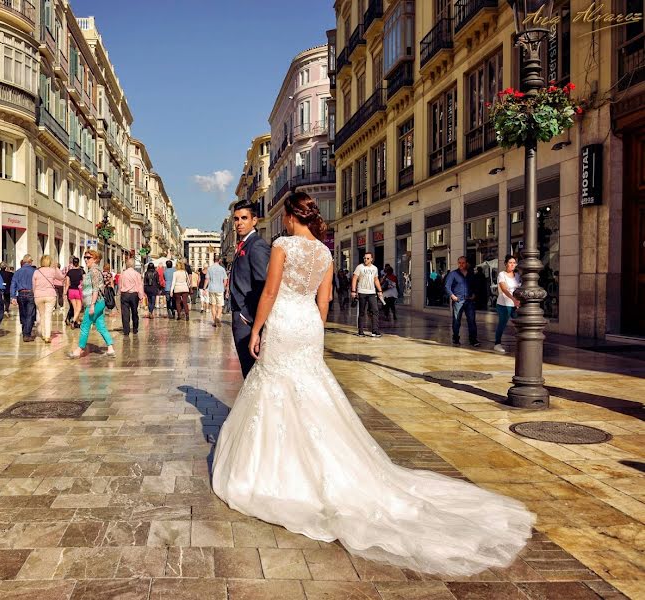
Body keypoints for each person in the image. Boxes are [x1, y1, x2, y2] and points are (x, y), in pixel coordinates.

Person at [212, 191, 534, 577]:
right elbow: (325, 299)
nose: (281, 221)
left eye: (284, 215)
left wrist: (258, 328)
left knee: (275, 389)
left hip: (282, 320)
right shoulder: (326, 255)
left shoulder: (282, 245)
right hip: (308, 325)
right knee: (311, 391)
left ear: (290, 216)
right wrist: (317, 328)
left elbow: (268, 291)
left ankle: (274, 470)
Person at [227, 200, 271, 377]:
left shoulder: (256, 245)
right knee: (248, 369)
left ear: (254, 220)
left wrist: (247, 315)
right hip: (240, 313)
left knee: (251, 370)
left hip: (247, 317)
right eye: (236, 219)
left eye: (244, 218)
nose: (239, 223)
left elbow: (262, 283)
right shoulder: (244, 244)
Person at [68, 249, 114, 358]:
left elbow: (95, 289)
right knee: (100, 325)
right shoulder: (92, 271)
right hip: (97, 302)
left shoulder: (94, 271)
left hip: (95, 302)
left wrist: (92, 305)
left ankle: (79, 349)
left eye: (88, 258)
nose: (85, 260)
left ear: (95, 259)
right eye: (85, 257)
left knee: (84, 325)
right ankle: (110, 348)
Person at [446, 256, 479, 347]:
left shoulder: (471, 274)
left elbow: (475, 286)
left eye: (463, 263)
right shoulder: (453, 274)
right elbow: (447, 286)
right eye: (459, 263)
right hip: (458, 300)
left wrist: (474, 294)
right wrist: (452, 296)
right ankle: (456, 338)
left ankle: (473, 339)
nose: (461, 264)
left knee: (471, 321)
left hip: (469, 301)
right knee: (457, 320)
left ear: (466, 263)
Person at [32, 254, 64, 343]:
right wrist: (56, 267)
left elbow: (34, 286)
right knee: (48, 315)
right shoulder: (52, 271)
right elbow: (61, 277)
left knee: (42, 315)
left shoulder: (36, 272)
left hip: (38, 295)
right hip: (50, 295)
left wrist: (35, 293)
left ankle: (43, 333)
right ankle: (47, 336)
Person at [351, 252, 383, 337]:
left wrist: (380, 290)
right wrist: (353, 291)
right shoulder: (359, 267)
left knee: (375, 311)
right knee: (361, 312)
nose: (366, 260)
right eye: (364, 258)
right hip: (362, 292)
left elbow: (376, 280)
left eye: (368, 258)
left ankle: (375, 331)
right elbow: (354, 278)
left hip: (372, 292)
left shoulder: (375, 268)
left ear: (372, 259)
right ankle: (360, 331)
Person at [494, 255, 521, 353]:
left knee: (520, 323)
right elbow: (504, 289)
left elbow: (518, 289)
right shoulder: (502, 274)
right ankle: (497, 344)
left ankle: (521, 342)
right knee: (502, 323)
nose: (512, 265)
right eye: (510, 262)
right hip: (504, 304)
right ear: (506, 264)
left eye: (514, 263)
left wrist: (518, 301)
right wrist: (513, 299)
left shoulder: (517, 275)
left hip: (515, 304)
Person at [10, 255, 36, 342]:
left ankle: (25, 330)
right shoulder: (34, 271)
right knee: (30, 314)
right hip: (30, 293)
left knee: (23, 313)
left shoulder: (17, 272)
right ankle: (26, 334)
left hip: (20, 293)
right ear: (30, 261)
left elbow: (13, 284)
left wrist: (13, 296)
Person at [119, 258, 145, 336]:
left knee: (125, 313)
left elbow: (120, 285)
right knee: (134, 311)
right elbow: (140, 286)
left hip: (125, 294)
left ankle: (126, 330)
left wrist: (120, 292)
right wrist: (141, 296)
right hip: (134, 295)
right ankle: (135, 329)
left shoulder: (122, 274)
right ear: (133, 265)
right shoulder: (137, 274)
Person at [206, 254, 228, 328]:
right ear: (219, 260)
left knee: (213, 305)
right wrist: (223, 286)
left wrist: (204, 288)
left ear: (213, 260)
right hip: (220, 289)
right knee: (220, 305)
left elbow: (207, 279)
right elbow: (225, 279)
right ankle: (218, 317)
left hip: (211, 288)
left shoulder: (210, 268)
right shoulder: (222, 269)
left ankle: (215, 321)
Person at [65, 257, 84, 329]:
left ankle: (78, 322)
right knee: (79, 308)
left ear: (72, 263)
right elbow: (84, 282)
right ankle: (73, 321)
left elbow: (67, 283)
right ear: (78, 263)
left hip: (71, 291)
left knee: (75, 308)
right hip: (78, 291)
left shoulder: (69, 272)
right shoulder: (82, 271)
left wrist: (64, 293)